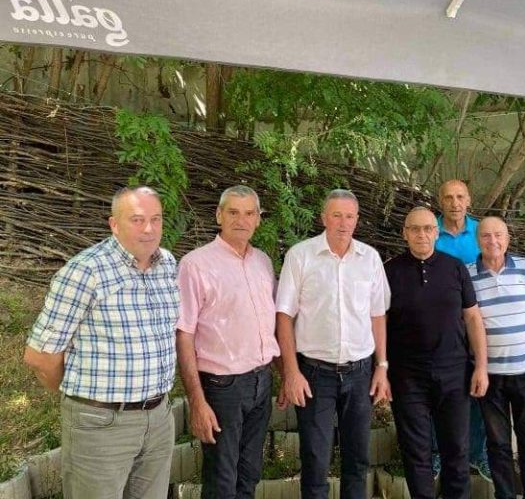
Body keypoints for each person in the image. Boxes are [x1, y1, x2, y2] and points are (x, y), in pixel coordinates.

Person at [23, 186, 178, 499]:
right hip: (101, 424)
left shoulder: (167, 265)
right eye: (137, 219)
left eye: (156, 219)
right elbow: (39, 356)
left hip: (159, 417)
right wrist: (81, 401)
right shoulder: (86, 271)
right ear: (114, 224)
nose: (149, 228)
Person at [275, 189, 390, 499]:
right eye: (336, 215)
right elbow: (283, 316)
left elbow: (378, 315)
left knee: (358, 459)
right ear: (324, 218)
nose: (343, 223)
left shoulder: (370, 258)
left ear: (357, 220)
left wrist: (382, 366)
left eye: (349, 216)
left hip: (360, 373)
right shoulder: (300, 256)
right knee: (315, 461)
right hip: (314, 374)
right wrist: (291, 372)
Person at [176, 186, 280, 499]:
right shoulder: (195, 265)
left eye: (249, 213)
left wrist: (284, 373)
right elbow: (184, 334)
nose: (241, 220)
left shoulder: (262, 262)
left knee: (249, 473)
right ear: (219, 215)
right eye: (233, 212)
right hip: (223, 388)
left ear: (258, 219)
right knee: (222, 478)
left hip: (261, 381)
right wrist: (197, 401)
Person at [385, 206, 488, 499]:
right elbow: (379, 322)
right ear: (405, 233)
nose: (422, 234)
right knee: (415, 450)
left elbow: (473, 317)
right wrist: (382, 369)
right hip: (407, 375)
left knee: (456, 448)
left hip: (454, 372)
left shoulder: (455, 268)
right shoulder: (389, 271)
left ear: (436, 233)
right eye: (415, 229)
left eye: (428, 228)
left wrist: (481, 366)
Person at [468, 216, 525, 499]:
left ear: (508, 238)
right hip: (490, 375)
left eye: (498, 235)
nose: (493, 241)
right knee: (498, 443)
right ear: (477, 240)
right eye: (486, 236)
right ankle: (505, 494)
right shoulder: (467, 275)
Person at [435, 179, 491, 481]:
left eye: (460, 197)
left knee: (478, 387)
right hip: (441, 328)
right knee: (437, 393)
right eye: (448, 197)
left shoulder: (481, 232)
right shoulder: (430, 231)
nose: (454, 203)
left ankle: (477, 454)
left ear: (469, 200)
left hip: (477, 324)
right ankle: (437, 453)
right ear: (440, 201)